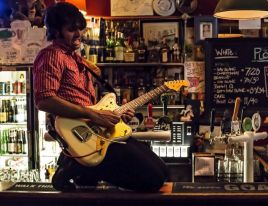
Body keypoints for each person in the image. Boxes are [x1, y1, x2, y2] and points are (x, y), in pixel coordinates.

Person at [33, 2, 168, 192]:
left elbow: (89, 105)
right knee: (152, 179)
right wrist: (95, 116)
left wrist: (114, 114)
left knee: (162, 172)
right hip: (78, 134)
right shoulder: (51, 56)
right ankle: (76, 164)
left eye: (80, 28)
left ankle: (85, 169)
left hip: (95, 130)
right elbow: (44, 100)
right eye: (71, 29)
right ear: (55, 31)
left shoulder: (78, 60)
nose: (78, 34)